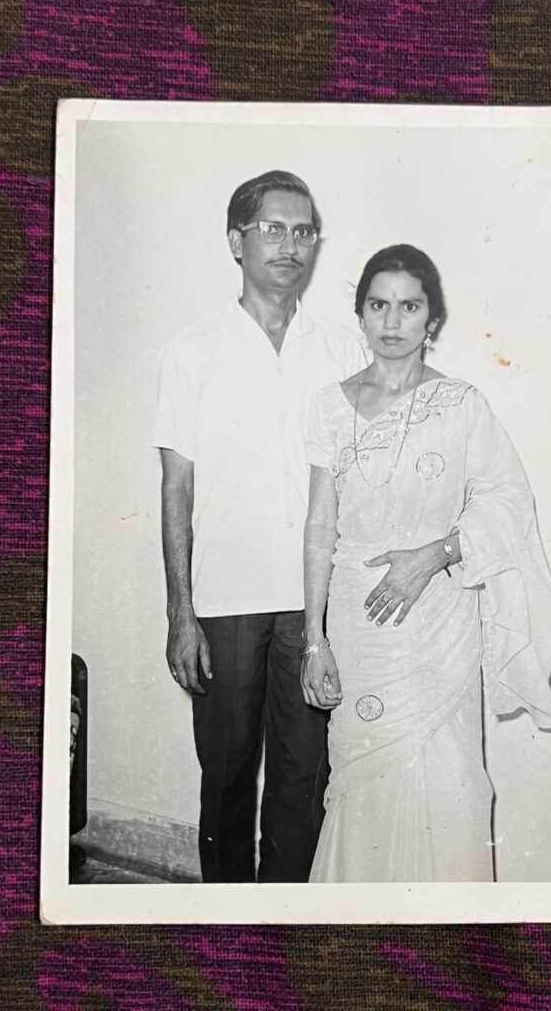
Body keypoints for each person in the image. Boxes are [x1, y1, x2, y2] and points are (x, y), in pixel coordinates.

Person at [301, 244, 551, 883]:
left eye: (409, 306)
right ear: (360, 314)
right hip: (361, 624)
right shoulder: (328, 406)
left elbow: (509, 500)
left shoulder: (463, 405)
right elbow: (319, 527)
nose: (392, 321)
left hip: (441, 617)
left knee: (449, 780)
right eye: (378, 305)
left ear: (431, 322)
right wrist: (314, 642)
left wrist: (436, 555)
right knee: (363, 776)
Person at [153, 170, 365, 883]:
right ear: (235, 241)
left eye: (304, 231)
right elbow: (175, 488)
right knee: (228, 775)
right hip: (224, 605)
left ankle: (285, 932)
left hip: (313, 605)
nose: (291, 245)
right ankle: (225, 924)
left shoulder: (342, 352)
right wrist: (182, 613)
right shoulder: (192, 351)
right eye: (273, 228)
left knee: (304, 779)